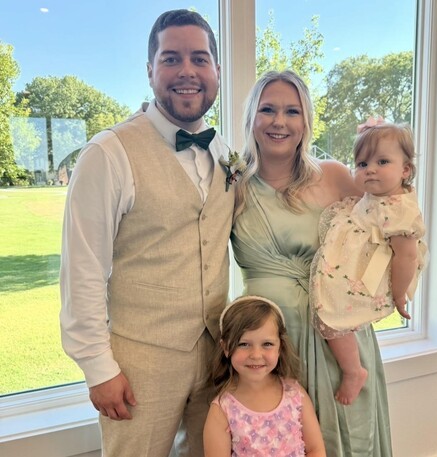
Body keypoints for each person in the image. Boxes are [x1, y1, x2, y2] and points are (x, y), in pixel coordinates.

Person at [59, 9, 234, 457]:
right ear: (150, 70)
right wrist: (98, 368)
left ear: (216, 70)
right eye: (171, 58)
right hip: (139, 362)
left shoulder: (224, 152)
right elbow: (82, 269)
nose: (187, 71)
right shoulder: (108, 153)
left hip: (217, 358)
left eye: (199, 59)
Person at [230, 70, 393, 456]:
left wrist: (381, 152)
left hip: (338, 334)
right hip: (270, 344)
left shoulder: (333, 175)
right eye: (268, 110)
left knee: (346, 441)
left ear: (306, 121)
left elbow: (387, 226)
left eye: (292, 111)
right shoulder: (232, 186)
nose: (279, 121)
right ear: (251, 117)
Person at [309, 118, 428, 406]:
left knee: (332, 316)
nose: (370, 169)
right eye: (362, 164)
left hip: (369, 274)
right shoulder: (378, 195)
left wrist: (399, 294)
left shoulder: (400, 210)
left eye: (382, 161)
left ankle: (353, 370)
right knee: (330, 311)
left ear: (406, 170)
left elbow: (406, 257)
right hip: (352, 261)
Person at [203, 295, 326, 457]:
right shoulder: (222, 409)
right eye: (243, 344)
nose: (256, 355)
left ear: (280, 347)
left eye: (267, 344)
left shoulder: (295, 393)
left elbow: (316, 449)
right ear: (225, 347)